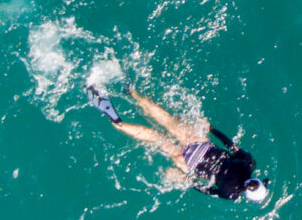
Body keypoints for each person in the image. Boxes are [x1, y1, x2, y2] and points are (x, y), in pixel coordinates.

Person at [86, 81, 269, 204]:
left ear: (258, 181)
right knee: (156, 138)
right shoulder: (230, 194)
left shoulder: (248, 162)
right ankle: (118, 122)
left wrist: (211, 128)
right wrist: (184, 179)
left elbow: (229, 144)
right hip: (190, 164)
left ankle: (131, 91)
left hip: (201, 145)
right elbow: (205, 189)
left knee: (166, 119)